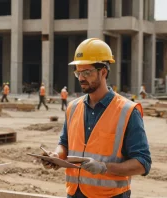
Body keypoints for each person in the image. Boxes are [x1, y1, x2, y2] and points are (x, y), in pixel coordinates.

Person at [42, 38, 151, 198]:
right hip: (74, 193)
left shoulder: (127, 111)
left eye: (87, 72)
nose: (81, 78)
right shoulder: (73, 108)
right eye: (78, 72)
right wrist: (56, 156)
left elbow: (142, 163)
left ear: (104, 72)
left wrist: (104, 167)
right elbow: (64, 144)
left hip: (111, 195)